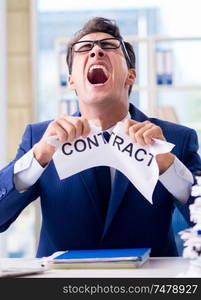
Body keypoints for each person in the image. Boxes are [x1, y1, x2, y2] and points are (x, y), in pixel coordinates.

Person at [0, 17, 201, 258]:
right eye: (85, 49)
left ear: (130, 76)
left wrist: (169, 167)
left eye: (109, 46)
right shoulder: (39, 139)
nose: (96, 51)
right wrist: (38, 156)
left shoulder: (176, 139)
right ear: (71, 80)